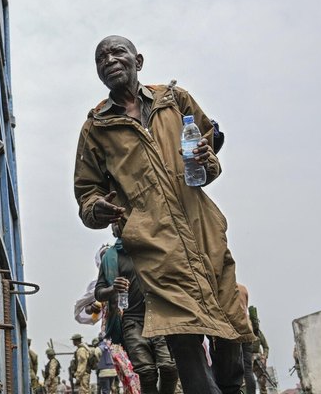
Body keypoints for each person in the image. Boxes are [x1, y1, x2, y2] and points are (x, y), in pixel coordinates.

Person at [74, 35, 254, 393]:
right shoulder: (96, 129)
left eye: (117, 52)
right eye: (101, 57)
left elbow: (208, 148)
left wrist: (207, 158)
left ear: (138, 61)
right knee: (183, 340)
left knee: (232, 329)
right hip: (154, 244)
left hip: (204, 231)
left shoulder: (175, 100)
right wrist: (99, 208)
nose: (109, 59)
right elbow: (86, 194)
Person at [95, 234, 179, 394]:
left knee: (169, 367)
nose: (119, 224)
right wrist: (113, 288)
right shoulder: (110, 257)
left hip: (160, 318)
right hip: (132, 322)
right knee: (146, 373)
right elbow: (98, 293)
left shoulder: (153, 248)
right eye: (115, 222)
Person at [249, 306, 271, 394]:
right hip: (247, 361)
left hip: (259, 361)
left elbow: (266, 347)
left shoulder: (259, 333)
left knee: (262, 382)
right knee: (246, 383)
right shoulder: (245, 332)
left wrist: (264, 357)